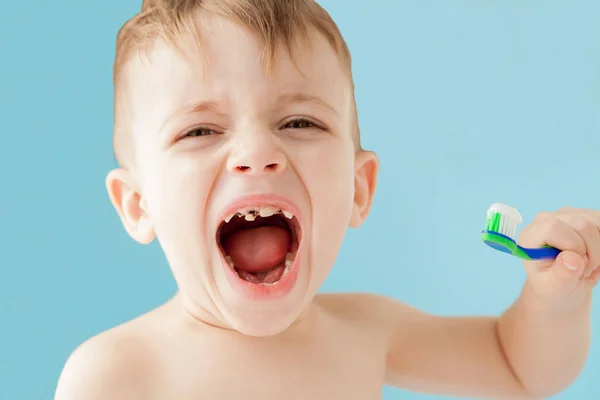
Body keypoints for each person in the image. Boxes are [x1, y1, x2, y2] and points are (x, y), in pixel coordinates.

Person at [54, 1, 599, 399]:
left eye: (299, 121)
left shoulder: (363, 332)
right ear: (137, 204)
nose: (257, 153)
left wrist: (555, 302)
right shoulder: (117, 375)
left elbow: (517, 367)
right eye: (199, 131)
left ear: (358, 189)